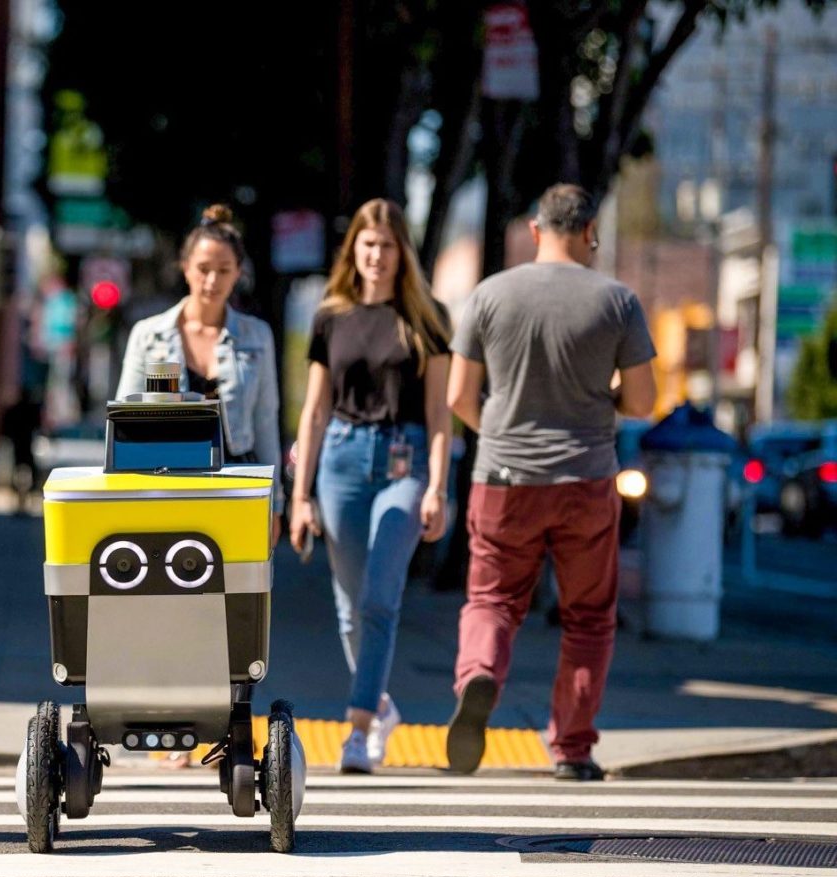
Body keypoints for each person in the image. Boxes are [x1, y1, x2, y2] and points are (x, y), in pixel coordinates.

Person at [444, 183, 657, 781]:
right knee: (589, 617)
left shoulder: (490, 295)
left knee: (492, 599)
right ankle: (571, 748)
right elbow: (642, 400)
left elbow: (460, 397)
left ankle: (481, 672)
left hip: (504, 479)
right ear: (590, 231)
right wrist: (598, 395)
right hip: (586, 480)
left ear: (536, 231)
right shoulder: (617, 301)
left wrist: (504, 431)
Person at [288, 199, 453, 774]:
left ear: (401, 252)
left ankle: (357, 730)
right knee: (350, 611)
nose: (377, 255)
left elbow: (439, 414)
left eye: (387, 244)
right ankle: (381, 704)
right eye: (367, 243)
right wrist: (299, 496)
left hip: (405, 466)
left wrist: (437, 488)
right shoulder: (330, 315)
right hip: (339, 461)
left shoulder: (429, 319)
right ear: (353, 250)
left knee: (381, 598)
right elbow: (313, 411)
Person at [116, 204, 282, 533]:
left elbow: (265, 421)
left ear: (238, 273)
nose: (212, 280)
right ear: (186, 267)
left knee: (238, 580)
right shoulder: (148, 335)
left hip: (238, 477)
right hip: (164, 476)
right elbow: (125, 419)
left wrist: (274, 502)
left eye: (224, 270)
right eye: (204, 268)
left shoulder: (256, 336)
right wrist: (122, 493)